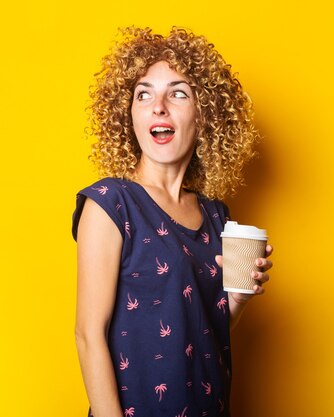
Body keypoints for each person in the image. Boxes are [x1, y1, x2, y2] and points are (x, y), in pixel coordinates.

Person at [72, 26, 273, 417]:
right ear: (128, 114)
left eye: (177, 93)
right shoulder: (111, 204)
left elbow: (203, 329)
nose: (158, 106)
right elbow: (87, 335)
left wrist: (238, 298)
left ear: (205, 115)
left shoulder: (217, 216)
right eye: (143, 94)